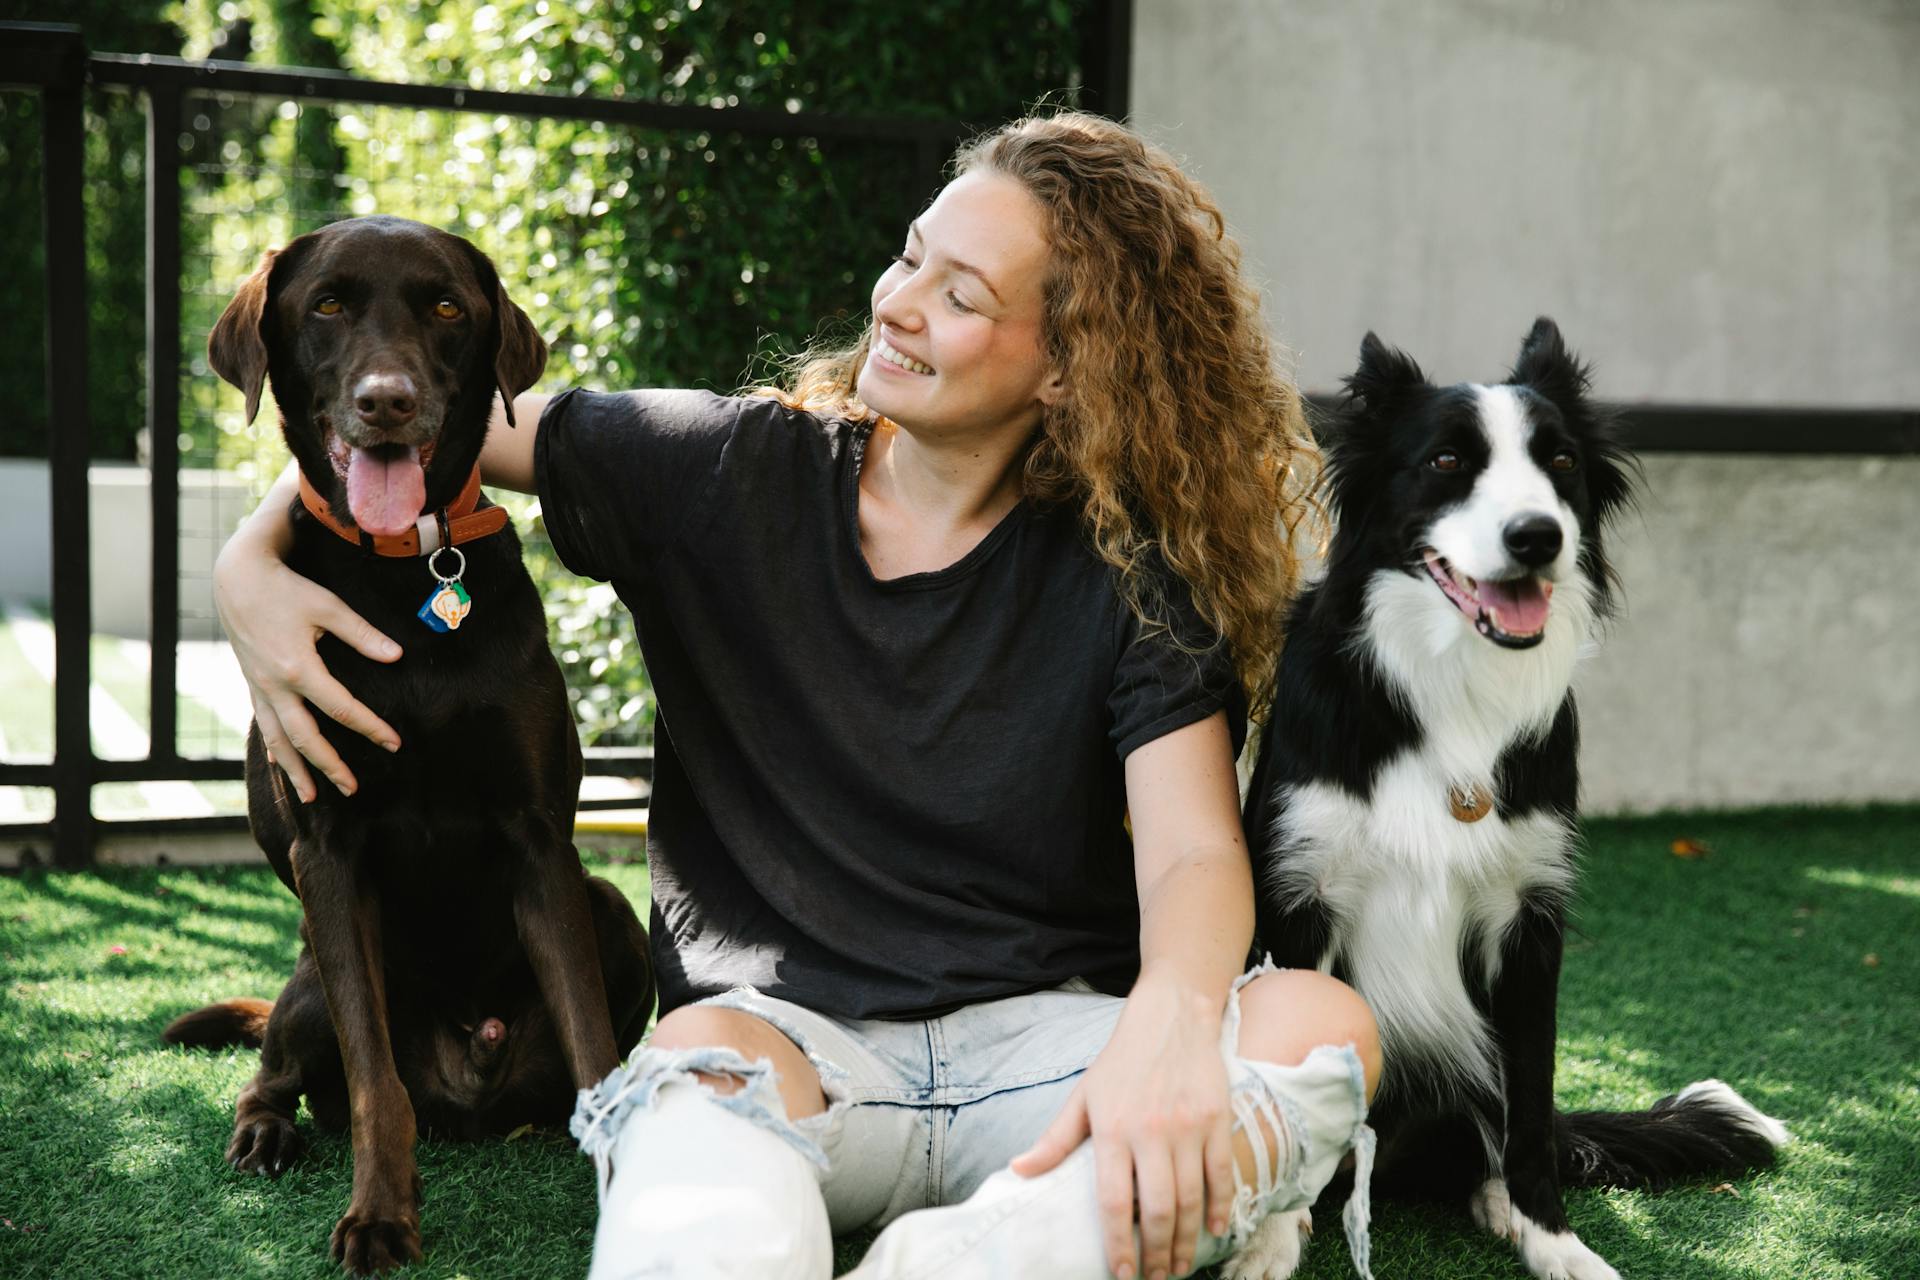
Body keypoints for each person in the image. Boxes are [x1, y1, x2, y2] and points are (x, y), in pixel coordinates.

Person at [214, 111, 1384, 1280]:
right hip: (784, 1051)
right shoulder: (717, 470)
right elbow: (426, 416)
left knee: (1320, 1028)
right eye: (911, 252)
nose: (901, 300)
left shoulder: (1130, 567)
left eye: (962, 294)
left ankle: (968, 1254)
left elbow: (1191, 855)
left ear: (1073, 362)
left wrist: (1170, 1033)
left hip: (1048, 1051)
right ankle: (1048, 1240)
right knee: (693, 1071)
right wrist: (248, 570)